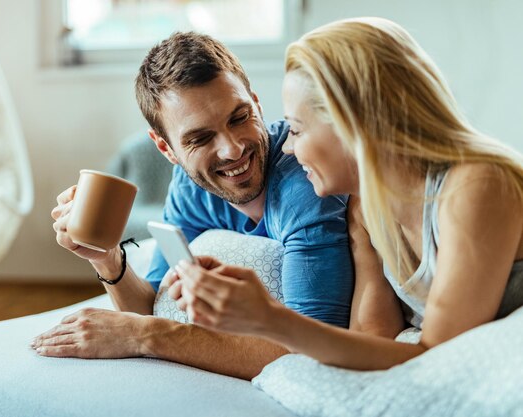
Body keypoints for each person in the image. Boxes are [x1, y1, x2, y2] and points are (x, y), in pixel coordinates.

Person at [175, 17, 523, 370]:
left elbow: (439, 360)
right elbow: (372, 340)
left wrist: (270, 320)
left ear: (351, 125)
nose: (290, 148)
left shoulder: (477, 187)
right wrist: (257, 316)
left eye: (295, 129)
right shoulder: (367, 210)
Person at [31, 32, 357, 379]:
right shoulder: (189, 187)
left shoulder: (306, 185)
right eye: (200, 138)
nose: (232, 150)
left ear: (257, 103)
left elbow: (310, 349)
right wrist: (107, 258)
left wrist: (146, 336)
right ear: (166, 148)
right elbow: (151, 304)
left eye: (239, 117)